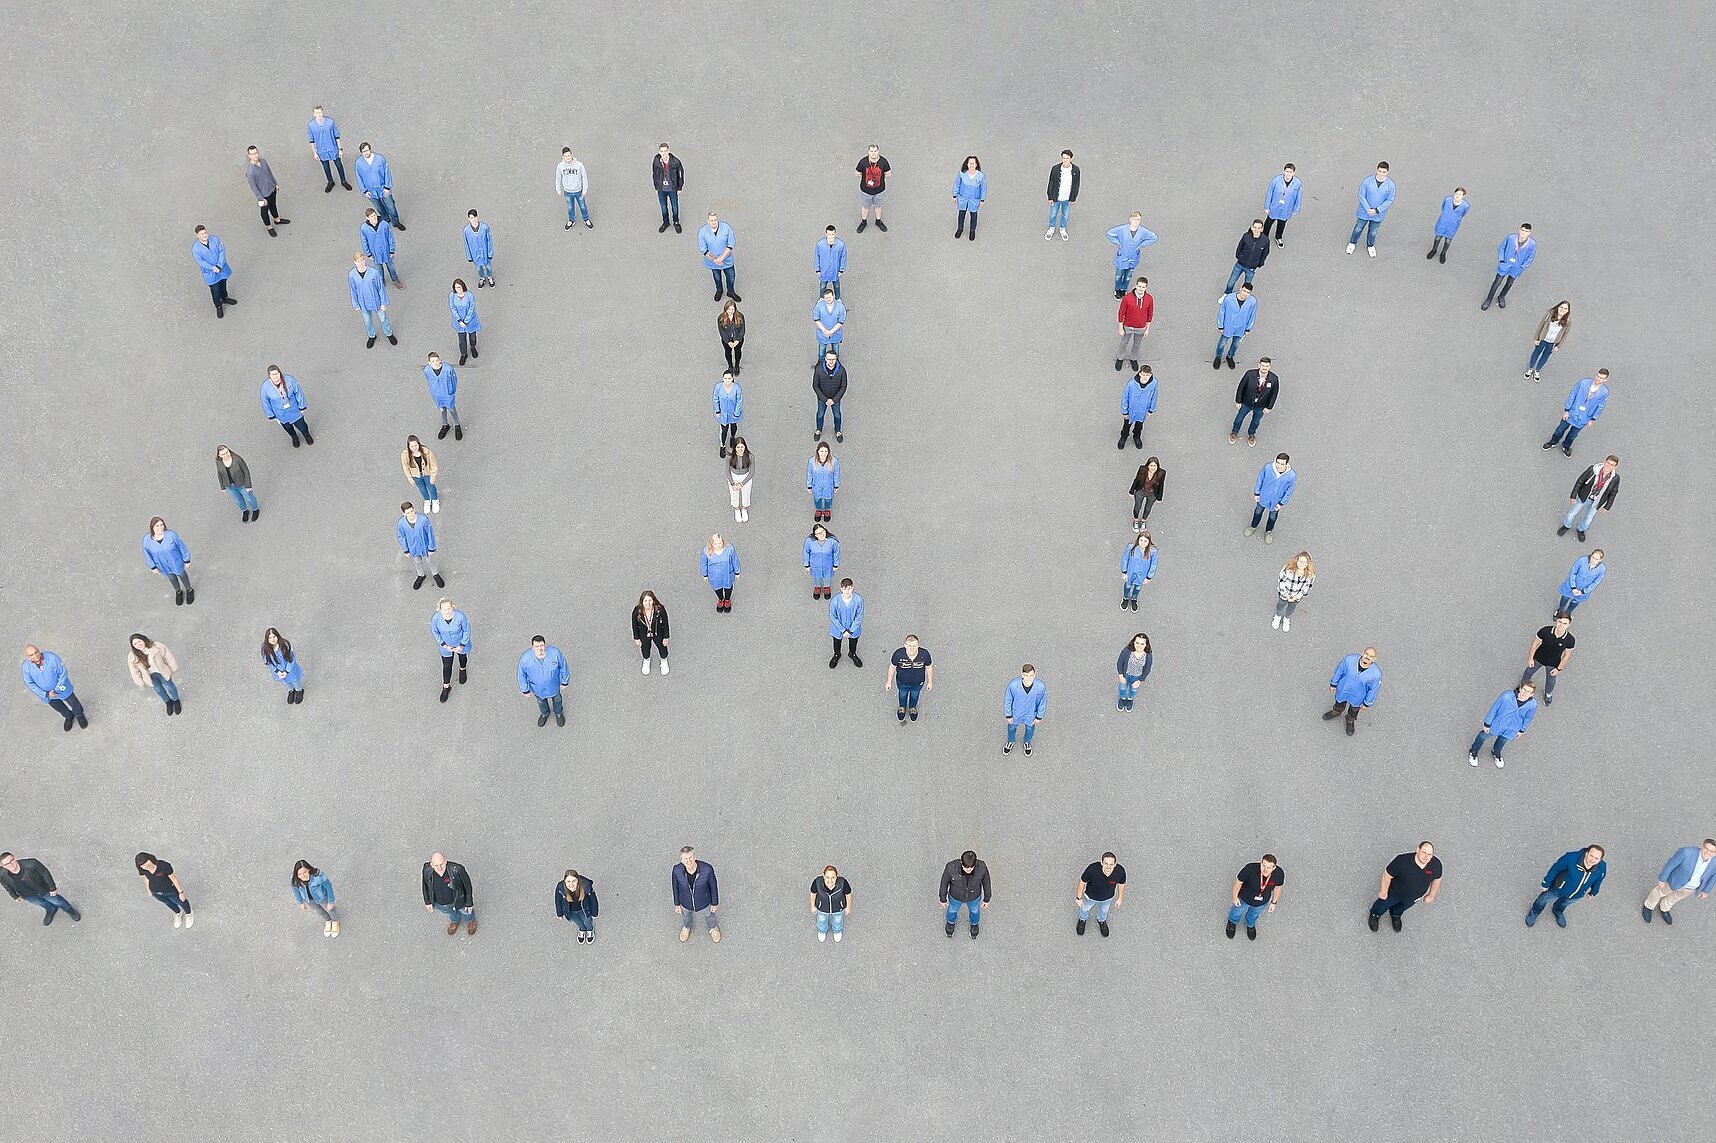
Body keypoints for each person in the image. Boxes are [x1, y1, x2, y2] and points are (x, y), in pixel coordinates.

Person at [1527, 845, 1606, 928]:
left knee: (1564, 903)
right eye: (1591, 855)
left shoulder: (1602, 867)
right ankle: (1535, 911)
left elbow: (1599, 879)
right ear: (1587, 853)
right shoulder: (1571, 858)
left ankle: (1557, 911)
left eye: (1596, 858)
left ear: (1600, 860)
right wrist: (1546, 883)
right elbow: (1556, 868)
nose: (1592, 860)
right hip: (1558, 888)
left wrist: (1594, 892)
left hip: (1577, 894)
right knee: (1543, 899)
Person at [1368, 842, 1441, 932]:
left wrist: (1431, 895)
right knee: (1383, 904)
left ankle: (1395, 915)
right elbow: (1387, 875)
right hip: (1394, 893)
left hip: (1413, 897)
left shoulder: (1436, 865)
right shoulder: (1401, 861)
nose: (1426, 857)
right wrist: (1384, 891)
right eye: (1424, 852)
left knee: (1402, 907)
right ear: (1417, 850)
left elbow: (1437, 879)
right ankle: (1375, 914)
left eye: (1429, 854)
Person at [1643, 840, 1716, 925]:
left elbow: (1713, 877)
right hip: (1674, 881)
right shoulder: (1686, 852)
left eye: (1711, 851)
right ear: (1701, 846)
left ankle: (1664, 907)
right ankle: (1648, 906)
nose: (1707, 852)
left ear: (1715, 853)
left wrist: (1706, 890)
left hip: (1690, 888)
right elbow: (1670, 865)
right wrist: (1662, 879)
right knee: (1659, 892)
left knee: (1675, 898)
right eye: (1706, 848)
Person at [1468, 681, 1538, 768]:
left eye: (1528, 691)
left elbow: (1528, 718)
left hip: (1513, 728)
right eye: (1524, 689)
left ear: (1532, 694)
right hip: (1498, 723)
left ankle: (1496, 752)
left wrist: (1521, 730)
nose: (1525, 693)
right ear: (1520, 688)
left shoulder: (1532, 704)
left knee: (1503, 740)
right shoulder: (1507, 696)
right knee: (1483, 736)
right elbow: (1494, 709)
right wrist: (1487, 723)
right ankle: (1473, 751)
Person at [0, 852, 81, 926]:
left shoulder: (32, 864)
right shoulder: (2, 874)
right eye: (7, 864)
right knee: (42, 903)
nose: (11, 864)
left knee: (58, 901)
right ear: (3, 866)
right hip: (28, 895)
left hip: (43, 890)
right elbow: (6, 885)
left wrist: (52, 888)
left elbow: (45, 874)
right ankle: (51, 909)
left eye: (11, 861)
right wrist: (14, 896)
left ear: (15, 858)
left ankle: (70, 910)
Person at [1542, 370, 1610, 457]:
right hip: (1572, 412)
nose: (1598, 379)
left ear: (1605, 380)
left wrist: (1593, 418)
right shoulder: (1583, 383)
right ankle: (1553, 442)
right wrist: (1567, 410)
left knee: (1573, 435)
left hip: (1584, 417)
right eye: (1598, 376)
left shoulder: (1604, 392)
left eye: (1601, 378)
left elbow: (1600, 406)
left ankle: (1566, 446)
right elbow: (1572, 395)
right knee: (1560, 429)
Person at [21, 645, 86, 731]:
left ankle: (79, 715)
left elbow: (62, 673)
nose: (35, 656)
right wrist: (46, 694)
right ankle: (68, 716)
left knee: (74, 703)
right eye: (31, 655)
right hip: (48, 695)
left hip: (62, 688)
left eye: (36, 652)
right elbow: (30, 683)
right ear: (28, 657)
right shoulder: (26, 667)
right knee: (59, 707)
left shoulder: (52, 658)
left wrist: (56, 689)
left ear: (38, 650)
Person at [1561, 455, 1619, 541]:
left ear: (1615, 467)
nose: (1608, 466)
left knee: (1589, 519)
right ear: (1604, 461)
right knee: (1572, 513)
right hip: (1584, 497)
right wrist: (1573, 495)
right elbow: (1580, 481)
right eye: (1608, 463)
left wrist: (1607, 506)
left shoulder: (1615, 478)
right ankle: (1566, 526)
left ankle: (1581, 529)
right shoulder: (1593, 470)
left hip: (1597, 501)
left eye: (1612, 465)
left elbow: (1613, 493)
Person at [1228, 854, 1286, 940]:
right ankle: (1232, 922)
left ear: (1274, 868)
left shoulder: (1279, 874)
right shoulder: (1249, 869)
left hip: (1262, 902)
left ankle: (1250, 925)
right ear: (1260, 863)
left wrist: (1274, 902)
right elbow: (1238, 882)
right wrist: (1234, 897)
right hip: (1244, 898)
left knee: (1254, 914)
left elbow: (1278, 888)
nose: (1265, 870)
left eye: (1269, 868)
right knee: (1236, 911)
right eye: (1263, 866)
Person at [1520, 613, 1574, 705]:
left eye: (1565, 623)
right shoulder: (1545, 631)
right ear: (1556, 621)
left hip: (1553, 663)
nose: (1561, 625)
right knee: (1528, 672)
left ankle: (1548, 693)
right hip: (1538, 658)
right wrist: (1530, 658)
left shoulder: (1570, 640)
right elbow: (1535, 644)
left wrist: (1559, 669)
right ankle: (1522, 687)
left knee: (1551, 680)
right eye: (1559, 622)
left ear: (1569, 625)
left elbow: (1566, 655)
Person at [1324, 647, 1380, 735]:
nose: (1367, 657)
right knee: (1339, 703)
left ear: (1374, 659)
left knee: (1354, 710)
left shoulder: (1376, 674)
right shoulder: (1349, 660)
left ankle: (1350, 721)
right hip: (1343, 689)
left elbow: (1373, 689)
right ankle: (1336, 712)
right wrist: (1333, 684)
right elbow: (1339, 671)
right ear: (1362, 653)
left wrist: (1367, 703)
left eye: (1371, 656)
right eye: (1366, 654)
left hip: (1358, 696)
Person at [518, 636, 569, 727]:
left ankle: (558, 713)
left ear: (545, 645)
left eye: (541, 645)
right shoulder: (525, 658)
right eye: (536, 646)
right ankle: (545, 713)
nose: (540, 648)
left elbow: (563, 666)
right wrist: (525, 690)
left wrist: (565, 681)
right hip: (537, 688)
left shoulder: (555, 653)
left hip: (553, 686)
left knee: (557, 699)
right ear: (532, 647)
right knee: (541, 702)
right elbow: (521, 674)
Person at [1481, 224, 1536, 311]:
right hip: (1505, 264)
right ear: (1519, 230)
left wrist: (1522, 267)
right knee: (1497, 283)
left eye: (1526, 231)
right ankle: (1488, 299)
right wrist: (1502, 260)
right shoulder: (1511, 238)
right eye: (1522, 230)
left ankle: (1502, 296)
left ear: (1529, 233)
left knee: (1509, 283)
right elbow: (1502, 247)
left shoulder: (1532, 244)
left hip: (1516, 267)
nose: (1523, 233)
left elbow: (1530, 257)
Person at [141, 516, 193, 605]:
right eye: (157, 526)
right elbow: (147, 554)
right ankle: (178, 591)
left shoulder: (172, 535)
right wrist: (153, 567)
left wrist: (186, 560)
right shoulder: (147, 540)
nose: (160, 527)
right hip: (162, 565)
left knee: (182, 575)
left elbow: (181, 547)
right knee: (171, 578)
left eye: (161, 525)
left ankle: (189, 589)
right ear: (152, 527)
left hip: (176, 562)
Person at [348, 251, 396, 348]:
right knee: (367, 321)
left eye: (362, 260)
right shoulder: (352, 275)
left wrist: (383, 303)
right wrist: (356, 304)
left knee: (383, 319)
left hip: (376, 301)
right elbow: (353, 290)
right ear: (354, 262)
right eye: (358, 261)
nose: (361, 263)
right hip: (363, 302)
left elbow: (380, 288)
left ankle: (389, 334)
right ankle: (371, 335)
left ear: (364, 260)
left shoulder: (374, 273)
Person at [1347, 162, 1396, 256]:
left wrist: (1377, 210)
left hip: (1378, 213)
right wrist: (1368, 208)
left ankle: (1370, 245)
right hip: (1364, 211)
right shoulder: (1367, 181)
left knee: (1373, 231)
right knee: (1358, 228)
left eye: (1384, 172)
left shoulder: (1391, 185)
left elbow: (1389, 200)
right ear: (1376, 170)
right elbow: (1362, 195)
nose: (1381, 174)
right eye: (1379, 171)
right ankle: (1352, 243)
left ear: (1387, 172)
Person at [1106, 211, 1159, 297]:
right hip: (1122, 257)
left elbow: (1154, 237)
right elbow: (1109, 233)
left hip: (1133, 258)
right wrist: (1118, 243)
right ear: (1130, 219)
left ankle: (1123, 289)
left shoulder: (1143, 231)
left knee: (1128, 276)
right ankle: (1117, 289)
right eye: (1134, 219)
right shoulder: (1122, 229)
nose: (1136, 222)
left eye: (1138, 220)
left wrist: (1142, 244)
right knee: (1119, 275)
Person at [673, 846, 720, 942]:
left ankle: (713, 928)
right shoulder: (676, 871)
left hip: (705, 901)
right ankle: (687, 927)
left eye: (690, 857)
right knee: (686, 916)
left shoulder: (707, 869)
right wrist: (677, 904)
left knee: (709, 915)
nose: (688, 861)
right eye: (685, 858)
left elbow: (713, 887)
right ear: (681, 860)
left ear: (695, 857)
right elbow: (675, 887)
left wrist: (714, 903)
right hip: (685, 902)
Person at [421, 852, 475, 936]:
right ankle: (455, 920)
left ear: (446, 861)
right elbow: (425, 885)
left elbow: (467, 887)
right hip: (441, 904)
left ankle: (470, 920)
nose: (439, 868)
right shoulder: (427, 870)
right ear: (431, 865)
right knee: (451, 913)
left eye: (441, 864)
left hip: (459, 900)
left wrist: (469, 903)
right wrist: (427, 901)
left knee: (466, 912)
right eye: (436, 865)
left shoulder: (457, 869)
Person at [940, 850, 991, 938]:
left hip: (974, 896)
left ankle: (974, 923)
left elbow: (987, 883)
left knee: (975, 911)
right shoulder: (951, 868)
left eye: (971, 867)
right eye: (966, 867)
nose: (968, 870)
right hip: (955, 896)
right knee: (952, 910)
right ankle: (951, 922)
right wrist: (942, 898)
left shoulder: (982, 868)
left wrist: (987, 898)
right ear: (961, 862)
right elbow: (944, 882)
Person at [127, 633, 181, 715]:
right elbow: (134, 671)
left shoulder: (157, 646)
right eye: (135, 644)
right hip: (150, 676)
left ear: (143, 639)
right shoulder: (133, 656)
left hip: (162, 671)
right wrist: (139, 682)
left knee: (170, 687)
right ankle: (168, 702)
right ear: (133, 646)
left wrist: (174, 668)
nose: (138, 644)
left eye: (139, 641)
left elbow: (168, 657)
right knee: (158, 689)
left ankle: (176, 701)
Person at [1246, 453, 1296, 542]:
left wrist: (1282, 503)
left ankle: (1268, 531)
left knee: (1273, 516)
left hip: (1277, 500)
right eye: (1278, 463)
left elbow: (1289, 490)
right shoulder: (1268, 468)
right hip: (1264, 496)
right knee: (1258, 512)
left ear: (1287, 464)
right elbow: (1260, 479)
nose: (1279, 466)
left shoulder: (1291, 475)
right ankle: (1253, 526)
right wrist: (1257, 493)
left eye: (1282, 464)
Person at [1230, 357, 1279, 445]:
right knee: (1239, 418)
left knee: (1256, 421)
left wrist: (1269, 407)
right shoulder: (1249, 374)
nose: (1264, 368)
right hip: (1246, 402)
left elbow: (1274, 394)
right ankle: (1234, 432)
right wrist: (1238, 401)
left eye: (1266, 366)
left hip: (1261, 405)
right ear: (1259, 365)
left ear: (1270, 367)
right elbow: (1241, 387)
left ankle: (1251, 434)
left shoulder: (1274, 379)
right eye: (1263, 365)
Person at [1075, 853, 1127, 937]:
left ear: (1115, 864)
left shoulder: (1120, 871)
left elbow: (1121, 884)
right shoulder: (1092, 870)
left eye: (1111, 864)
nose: (1108, 867)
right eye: (1106, 863)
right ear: (1101, 863)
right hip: (1090, 897)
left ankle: (1102, 921)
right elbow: (1082, 882)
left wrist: (1120, 898)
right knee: (1084, 909)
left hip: (1108, 898)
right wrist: (1078, 898)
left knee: (1104, 911)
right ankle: (1082, 920)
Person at [135, 853, 192, 928]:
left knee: (181, 901)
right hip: (157, 893)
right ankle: (177, 913)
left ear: (150, 859)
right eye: (142, 865)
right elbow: (146, 878)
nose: (146, 866)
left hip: (170, 891)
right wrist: (148, 890)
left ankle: (189, 914)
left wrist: (181, 892)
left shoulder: (163, 866)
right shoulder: (145, 870)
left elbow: (174, 879)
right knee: (168, 903)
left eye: (146, 862)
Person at [261, 365, 313, 447]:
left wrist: (302, 407)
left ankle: (306, 435)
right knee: (288, 428)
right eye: (273, 375)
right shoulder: (265, 387)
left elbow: (298, 393)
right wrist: (272, 416)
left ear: (280, 373)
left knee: (302, 426)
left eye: (277, 374)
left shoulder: (290, 380)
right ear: (269, 376)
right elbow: (265, 403)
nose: (276, 377)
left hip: (295, 410)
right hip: (281, 414)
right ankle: (294, 437)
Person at [355, 141, 404, 228]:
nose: (366, 153)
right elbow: (359, 177)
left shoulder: (380, 159)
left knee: (391, 206)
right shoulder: (359, 163)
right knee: (379, 208)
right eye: (364, 151)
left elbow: (386, 172)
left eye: (367, 150)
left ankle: (396, 222)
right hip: (370, 191)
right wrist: (364, 191)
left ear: (370, 149)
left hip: (383, 188)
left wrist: (387, 187)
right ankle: (385, 219)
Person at [431, 597, 470, 703]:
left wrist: (461, 645)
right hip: (446, 646)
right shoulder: (436, 618)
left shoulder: (460, 616)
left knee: (462, 658)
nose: (447, 611)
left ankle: (462, 670)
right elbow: (435, 632)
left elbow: (466, 630)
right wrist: (443, 645)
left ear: (453, 607)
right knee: (447, 666)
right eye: (444, 609)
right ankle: (446, 687)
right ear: (440, 609)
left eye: (449, 608)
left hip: (460, 643)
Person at [191, 225, 235, 317]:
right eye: (202, 234)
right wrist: (213, 268)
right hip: (210, 272)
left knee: (223, 284)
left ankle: (225, 298)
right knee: (215, 290)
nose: (204, 235)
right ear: (197, 236)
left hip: (221, 268)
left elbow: (222, 251)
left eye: (205, 233)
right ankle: (218, 306)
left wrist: (219, 265)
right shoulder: (195, 249)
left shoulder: (215, 239)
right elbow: (201, 262)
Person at [886, 634, 933, 723]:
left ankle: (912, 708)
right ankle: (902, 708)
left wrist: (930, 682)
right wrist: (889, 682)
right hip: (902, 682)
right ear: (905, 646)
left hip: (918, 682)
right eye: (909, 646)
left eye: (914, 646)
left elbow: (929, 667)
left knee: (915, 696)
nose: (912, 648)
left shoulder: (924, 654)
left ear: (918, 646)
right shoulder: (898, 654)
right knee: (902, 695)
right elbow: (892, 667)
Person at [244, 146, 290, 236]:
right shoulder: (250, 171)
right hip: (263, 194)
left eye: (256, 153)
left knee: (273, 205)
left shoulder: (263, 162)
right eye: (252, 154)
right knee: (264, 211)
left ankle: (277, 220)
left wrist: (275, 183)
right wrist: (260, 198)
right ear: (249, 156)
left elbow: (269, 173)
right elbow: (253, 186)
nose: (255, 155)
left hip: (271, 188)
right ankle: (269, 226)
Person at [396, 503, 442, 592]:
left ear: (414, 509)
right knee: (417, 561)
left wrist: (431, 547)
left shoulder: (423, 519)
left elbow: (429, 533)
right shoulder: (401, 523)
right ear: (403, 513)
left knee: (430, 560)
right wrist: (406, 550)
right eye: (408, 513)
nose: (411, 514)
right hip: (412, 547)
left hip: (425, 545)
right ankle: (421, 575)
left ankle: (435, 574)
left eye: (412, 511)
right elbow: (401, 537)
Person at [1003, 665, 1046, 755]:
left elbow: (1042, 702)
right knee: (1012, 727)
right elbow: (1008, 700)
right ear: (1022, 675)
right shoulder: (1013, 685)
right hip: (1016, 712)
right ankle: (1010, 741)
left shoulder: (1041, 687)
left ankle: (1027, 742)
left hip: (1031, 713)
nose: (1028, 678)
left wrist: (1039, 716)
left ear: (1034, 674)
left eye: (1031, 675)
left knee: (1030, 728)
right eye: (1026, 675)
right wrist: (1008, 714)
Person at [1114, 276, 1154, 371]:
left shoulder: (1149, 299)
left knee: (1137, 344)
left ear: (1146, 288)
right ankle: (1120, 358)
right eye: (1139, 286)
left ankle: (1133, 358)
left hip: (1141, 327)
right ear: (1136, 286)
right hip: (1128, 326)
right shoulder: (1127, 298)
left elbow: (1150, 313)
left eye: (1143, 287)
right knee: (1124, 343)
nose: (1141, 289)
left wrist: (1147, 328)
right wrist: (1120, 327)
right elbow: (1121, 312)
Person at [1525, 300, 1572, 382]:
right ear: (1558, 307)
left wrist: (1559, 346)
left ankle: (1537, 371)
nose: (1563, 310)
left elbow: (1565, 334)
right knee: (1536, 353)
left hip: (1552, 342)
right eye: (1561, 307)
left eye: (1565, 308)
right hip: (1543, 339)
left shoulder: (1568, 321)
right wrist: (1536, 338)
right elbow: (1541, 325)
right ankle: (1530, 369)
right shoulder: (1549, 315)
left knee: (1545, 356)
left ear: (1568, 311)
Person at [1213, 283, 1257, 369]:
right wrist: (1220, 325)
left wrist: (1248, 328)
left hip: (1241, 326)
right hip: (1228, 325)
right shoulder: (1229, 299)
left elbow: (1252, 315)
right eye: (1244, 291)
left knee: (1236, 343)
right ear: (1240, 288)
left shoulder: (1252, 301)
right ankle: (1218, 357)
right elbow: (1222, 312)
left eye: (1248, 292)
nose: (1245, 294)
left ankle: (1230, 356)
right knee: (1222, 343)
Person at [291, 859, 339, 937]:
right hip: (309, 900)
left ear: (309, 870)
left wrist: (331, 901)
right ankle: (328, 920)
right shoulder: (295, 880)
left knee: (330, 909)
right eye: (299, 874)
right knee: (320, 911)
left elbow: (328, 887)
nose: (302, 876)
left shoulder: (318, 876)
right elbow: (295, 890)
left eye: (304, 872)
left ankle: (335, 922)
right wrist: (300, 902)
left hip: (322, 897)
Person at [306, 106, 349, 191]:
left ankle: (343, 181)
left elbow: (337, 135)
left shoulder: (330, 122)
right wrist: (314, 152)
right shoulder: (311, 125)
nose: (319, 114)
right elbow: (311, 140)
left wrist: (340, 149)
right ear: (314, 114)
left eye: (320, 112)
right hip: (321, 150)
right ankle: (330, 181)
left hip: (333, 148)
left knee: (339, 165)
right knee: (326, 167)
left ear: (322, 112)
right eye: (317, 113)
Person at [699, 211, 739, 301]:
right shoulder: (703, 231)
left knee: (731, 277)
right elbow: (703, 249)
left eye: (715, 220)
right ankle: (719, 290)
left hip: (727, 260)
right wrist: (715, 260)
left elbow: (730, 244)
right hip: (712, 262)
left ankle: (731, 291)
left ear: (718, 219)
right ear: (708, 221)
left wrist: (721, 258)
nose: (714, 222)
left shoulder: (726, 227)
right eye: (711, 220)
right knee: (717, 277)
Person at [1117, 365, 1158, 450]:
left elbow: (1154, 396)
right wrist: (1125, 411)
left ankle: (1137, 436)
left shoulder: (1154, 383)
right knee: (1126, 425)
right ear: (1140, 373)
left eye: (1147, 375)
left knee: (1139, 425)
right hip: (1131, 409)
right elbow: (1125, 397)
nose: (1145, 377)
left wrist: (1151, 409)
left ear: (1150, 375)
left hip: (1143, 410)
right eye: (1143, 374)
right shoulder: (1131, 383)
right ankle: (1124, 437)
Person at [360, 207, 402, 287]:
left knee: (391, 267)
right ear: (367, 218)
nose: (374, 217)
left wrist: (392, 250)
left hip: (386, 250)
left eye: (374, 215)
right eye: (371, 216)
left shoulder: (384, 224)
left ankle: (395, 280)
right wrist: (368, 254)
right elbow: (364, 241)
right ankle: (381, 282)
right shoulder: (364, 228)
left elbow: (390, 237)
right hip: (375, 253)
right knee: (379, 270)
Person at [1273, 550, 1315, 631]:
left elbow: (1308, 587)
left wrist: (1297, 596)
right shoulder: (1288, 569)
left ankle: (1286, 618)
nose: (1302, 563)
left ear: (1308, 564)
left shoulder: (1310, 574)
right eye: (1300, 561)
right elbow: (1281, 581)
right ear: (1296, 561)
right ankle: (1278, 616)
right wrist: (1285, 594)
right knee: (1281, 605)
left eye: (1304, 562)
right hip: (1284, 593)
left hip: (1297, 596)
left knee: (1291, 607)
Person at [215, 444, 259, 522]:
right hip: (229, 486)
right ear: (219, 455)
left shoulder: (238, 459)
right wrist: (222, 487)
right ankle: (245, 511)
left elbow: (246, 471)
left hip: (242, 484)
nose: (226, 455)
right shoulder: (218, 462)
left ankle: (255, 509)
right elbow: (219, 474)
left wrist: (248, 485)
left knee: (249, 498)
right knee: (238, 500)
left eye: (227, 452)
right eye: (223, 454)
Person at [810, 865, 854, 943]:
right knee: (822, 919)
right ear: (823, 876)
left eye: (833, 877)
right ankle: (822, 931)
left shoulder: (843, 883)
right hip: (822, 908)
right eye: (827, 877)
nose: (830, 880)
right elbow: (813, 893)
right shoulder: (817, 882)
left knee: (838, 920)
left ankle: (837, 931)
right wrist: (812, 906)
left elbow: (848, 894)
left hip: (838, 908)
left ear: (836, 876)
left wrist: (848, 907)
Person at [425, 352, 462, 441]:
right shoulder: (427, 370)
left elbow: (454, 380)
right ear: (429, 362)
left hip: (447, 394)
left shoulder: (448, 369)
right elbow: (428, 379)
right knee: (442, 410)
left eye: (437, 360)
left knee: (452, 409)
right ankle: (445, 425)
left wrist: (451, 392)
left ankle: (457, 425)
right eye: (433, 361)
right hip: (437, 395)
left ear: (440, 360)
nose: (436, 362)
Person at [1226, 219, 1270, 293]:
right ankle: (1227, 294)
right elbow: (1240, 246)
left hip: (1251, 268)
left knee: (1247, 285)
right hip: (1240, 264)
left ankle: (1243, 296)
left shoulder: (1265, 241)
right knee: (1231, 281)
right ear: (1252, 227)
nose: (1256, 230)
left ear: (1262, 229)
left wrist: (1260, 263)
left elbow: (1265, 253)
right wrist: (1239, 256)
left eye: (1259, 228)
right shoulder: (1246, 236)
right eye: (1255, 227)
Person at [555, 869, 599, 942]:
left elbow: (593, 900)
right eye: (568, 881)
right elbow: (557, 900)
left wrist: (594, 912)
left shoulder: (586, 887)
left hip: (584, 909)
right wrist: (559, 913)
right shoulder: (560, 888)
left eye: (574, 881)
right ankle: (582, 929)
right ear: (564, 882)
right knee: (578, 922)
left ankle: (589, 930)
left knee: (587, 921)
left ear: (578, 880)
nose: (571, 884)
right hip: (570, 912)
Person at [632, 590, 670, 675]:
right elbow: (634, 625)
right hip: (644, 634)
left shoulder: (660, 609)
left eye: (650, 600)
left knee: (662, 647)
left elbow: (665, 623)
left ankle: (664, 660)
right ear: (642, 601)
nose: (647, 603)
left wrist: (666, 637)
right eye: (645, 601)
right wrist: (636, 638)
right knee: (645, 648)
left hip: (658, 633)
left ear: (653, 601)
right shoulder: (637, 611)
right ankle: (646, 660)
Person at [1557, 549, 1608, 613]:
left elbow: (1595, 582)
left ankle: (1568, 613)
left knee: (1575, 601)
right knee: (1565, 598)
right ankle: (1560, 610)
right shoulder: (1582, 560)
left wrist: (1583, 591)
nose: (1593, 560)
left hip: (1583, 590)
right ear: (1591, 555)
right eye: (1593, 557)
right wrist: (1573, 587)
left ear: (1600, 560)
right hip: (1571, 585)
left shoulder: (1602, 569)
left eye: (1596, 559)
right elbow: (1573, 572)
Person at [262, 627, 304, 704]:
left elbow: (291, 660)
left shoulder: (285, 645)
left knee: (295, 680)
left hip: (290, 670)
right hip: (279, 672)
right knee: (285, 682)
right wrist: (277, 672)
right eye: (270, 637)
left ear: (277, 636)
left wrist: (286, 671)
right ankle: (291, 690)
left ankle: (299, 690)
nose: (272, 639)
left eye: (274, 636)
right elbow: (268, 662)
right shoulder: (265, 649)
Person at [1427, 187, 1469, 262]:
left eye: (1460, 194)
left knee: (1448, 240)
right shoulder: (1447, 200)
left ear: (1463, 196)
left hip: (1452, 225)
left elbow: (1463, 214)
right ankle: (1434, 250)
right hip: (1443, 222)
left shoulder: (1465, 206)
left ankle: (1443, 253)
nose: (1457, 196)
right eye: (1456, 194)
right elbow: (1443, 207)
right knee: (1438, 237)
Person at [812, 349, 847, 442]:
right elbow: (815, 386)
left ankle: (838, 431)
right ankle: (818, 430)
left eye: (833, 359)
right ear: (825, 359)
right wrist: (825, 399)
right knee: (820, 414)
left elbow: (843, 387)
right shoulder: (819, 370)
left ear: (836, 359)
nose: (831, 361)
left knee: (837, 415)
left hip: (835, 399)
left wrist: (834, 400)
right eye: (829, 359)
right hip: (822, 399)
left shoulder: (842, 371)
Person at [828, 578, 864, 668]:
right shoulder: (835, 601)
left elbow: (859, 616)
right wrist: (843, 630)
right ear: (841, 589)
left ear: (852, 588)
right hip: (838, 628)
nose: (847, 591)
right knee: (837, 642)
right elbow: (833, 617)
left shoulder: (858, 600)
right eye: (845, 588)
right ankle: (837, 654)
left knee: (853, 642)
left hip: (853, 628)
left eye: (849, 588)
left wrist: (851, 630)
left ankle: (852, 653)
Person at [1263, 164, 1301, 246]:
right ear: (1284, 171)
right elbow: (1269, 193)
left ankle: (1278, 237)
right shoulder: (1276, 180)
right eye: (1287, 171)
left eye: (1291, 172)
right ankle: (1264, 237)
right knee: (1269, 222)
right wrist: (1267, 207)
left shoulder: (1297, 183)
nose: (1288, 174)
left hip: (1287, 208)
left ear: (1294, 173)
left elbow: (1298, 196)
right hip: (1274, 206)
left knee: (1282, 223)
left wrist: (1296, 209)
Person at [1119, 531, 1158, 611]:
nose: (1142, 543)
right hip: (1130, 572)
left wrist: (1148, 577)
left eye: (1145, 541)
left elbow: (1153, 565)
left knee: (1137, 587)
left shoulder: (1153, 551)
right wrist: (1124, 572)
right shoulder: (1131, 547)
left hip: (1142, 575)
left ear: (1149, 542)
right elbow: (1125, 559)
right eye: (1141, 540)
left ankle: (1134, 599)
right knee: (1128, 585)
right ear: (1138, 540)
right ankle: (1125, 598)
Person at [701, 533, 741, 612]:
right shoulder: (706, 551)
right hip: (714, 576)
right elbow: (703, 563)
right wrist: (704, 574)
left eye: (720, 543)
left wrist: (737, 571)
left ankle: (727, 600)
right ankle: (721, 599)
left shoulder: (730, 548)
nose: (718, 545)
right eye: (715, 543)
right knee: (717, 588)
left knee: (728, 587)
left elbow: (735, 560)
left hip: (728, 574)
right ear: (711, 544)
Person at [1045, 149, 1079, 239]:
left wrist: (1073, 198)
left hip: (1067, 199)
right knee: (1053, 214)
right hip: (1056, 198)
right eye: (1063, 158)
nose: (1065, 160)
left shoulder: (1075, 170)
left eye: (1067, 158)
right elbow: (1051, 183)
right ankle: (1051, 228)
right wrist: (1050, 197)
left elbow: (1076, 185)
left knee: (1065, 215)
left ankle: (1062, 229)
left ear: (1071, 158)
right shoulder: (1055, 169)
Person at [555, 147, 591, 230]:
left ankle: (586, 219)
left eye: (569, 155)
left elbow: (584, 177)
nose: (567, 157)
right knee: (570, 207)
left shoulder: (579, 165)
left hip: (578, 190)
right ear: (562, 157)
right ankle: (571, 220)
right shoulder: (560, 166)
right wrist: (558, 189)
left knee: (582, 206)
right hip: (567, 191)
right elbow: (558, 178)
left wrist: (585, 189)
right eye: (565, 156)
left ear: (571, 155)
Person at [855, 144, 890, 232]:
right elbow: (857, 173)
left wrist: (878, 178)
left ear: (878, 151)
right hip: (866, 191)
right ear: (868, 152)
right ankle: (864, 221)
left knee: (878, 206)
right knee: (865, 207)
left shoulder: (883, 162)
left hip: (879, 191)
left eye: (875, 151)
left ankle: (878, 221)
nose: (873, 153)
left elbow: (888, 173)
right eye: (871, 151)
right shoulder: (863, 162)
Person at [1114, 632, 1152, 712]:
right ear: (1133, 642)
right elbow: (1120, 663)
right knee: (1122, 688)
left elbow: (1147, 669)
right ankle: (1122, 698)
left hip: (1137, 677)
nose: (1139, 646)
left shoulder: (1148, 655)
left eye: (1142, 644)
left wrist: (1139, 681)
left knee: (1133, 689)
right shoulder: (1127, 651)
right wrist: (1120, 675)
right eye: (1137, 643)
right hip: (1125, 674)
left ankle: (1130, 699)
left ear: (1146, 645)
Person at [402, 434, 440, 513]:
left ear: (418, 444)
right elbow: (406, 467)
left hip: (427, 474)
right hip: (416, 476)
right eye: (412, 446)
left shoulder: (426, 452)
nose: (414, 448)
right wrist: (409, 478)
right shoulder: (405, 455)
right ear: (409, 447)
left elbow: (434, 465)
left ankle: (435, 500)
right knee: (422, 489)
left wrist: (433, 476)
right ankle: (427, 500)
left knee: (431, 487)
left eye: (416, 445)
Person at [652, 142, 685, 233]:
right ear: (659, 152)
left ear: (669, 151)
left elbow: (681, 174)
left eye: (666, 151)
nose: (664, 153)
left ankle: (676, 222)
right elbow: (654, 174)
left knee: (674, 206)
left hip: (672, 189)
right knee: (663, 206)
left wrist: (679, 187)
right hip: (661, 189)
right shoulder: (656, 161)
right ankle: (665, 222)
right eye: (662, 151)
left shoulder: (675, 161)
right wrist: (656, 187)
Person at [951, 155, 985, 240]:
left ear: (976, 164)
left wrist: (982, 199)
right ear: (967, 164)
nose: (971, 165)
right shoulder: (962, 173)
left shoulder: (980, 176)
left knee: (973, 214)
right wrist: (954, 195)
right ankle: (960, 229)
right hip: (963, 198)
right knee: (961, 213)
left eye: (973, 163)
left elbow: (983, 188)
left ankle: (972, 231)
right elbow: (957, 184)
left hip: (974, 199)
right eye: (970, 163)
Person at [803, 522, 840, 600]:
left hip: (828, 565)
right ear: (815, 535)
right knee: (816, 577)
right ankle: (817, 587)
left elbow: (836, 552)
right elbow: (806, 552)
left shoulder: (832, 541)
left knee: (827, 578)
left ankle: (827, 587)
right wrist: (806, 564)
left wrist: (835, 564)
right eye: (818, 533)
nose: (821, 534)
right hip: (815, 565)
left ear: (825, 530)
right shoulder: (809, 541)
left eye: (822, 531)